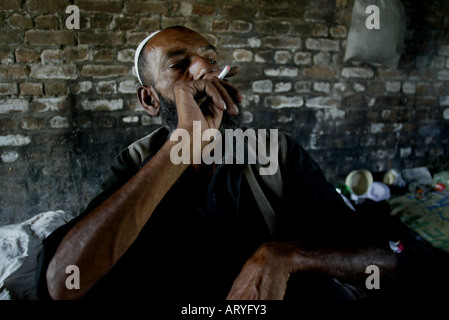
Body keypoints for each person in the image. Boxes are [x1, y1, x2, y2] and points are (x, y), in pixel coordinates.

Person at [35, 26, 397, 301]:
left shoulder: (276, 153)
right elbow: (64, 282)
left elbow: (380, 262)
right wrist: (185, 143)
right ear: (149, 100)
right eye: (178, 65)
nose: (204, 73)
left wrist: (285, 255)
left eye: (210, 61)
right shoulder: (135, 163)